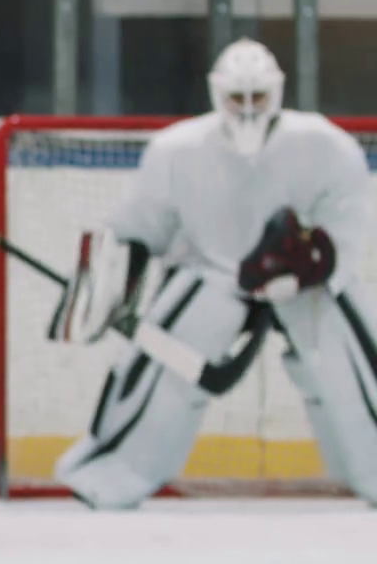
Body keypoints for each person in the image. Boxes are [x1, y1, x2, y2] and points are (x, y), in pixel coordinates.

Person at [54, 38, 377, 509]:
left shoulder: (327, 146)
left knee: (352, 367)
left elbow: (345, 229)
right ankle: (112, 472)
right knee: (157, 372)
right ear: (215, 93)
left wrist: (311, 264)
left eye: (258, 97)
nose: (247, 109)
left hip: (305, 286)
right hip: (211, 276)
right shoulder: (176, 149)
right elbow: (139, 228)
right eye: (236, 98)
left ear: (278, 92)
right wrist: (110, 283)